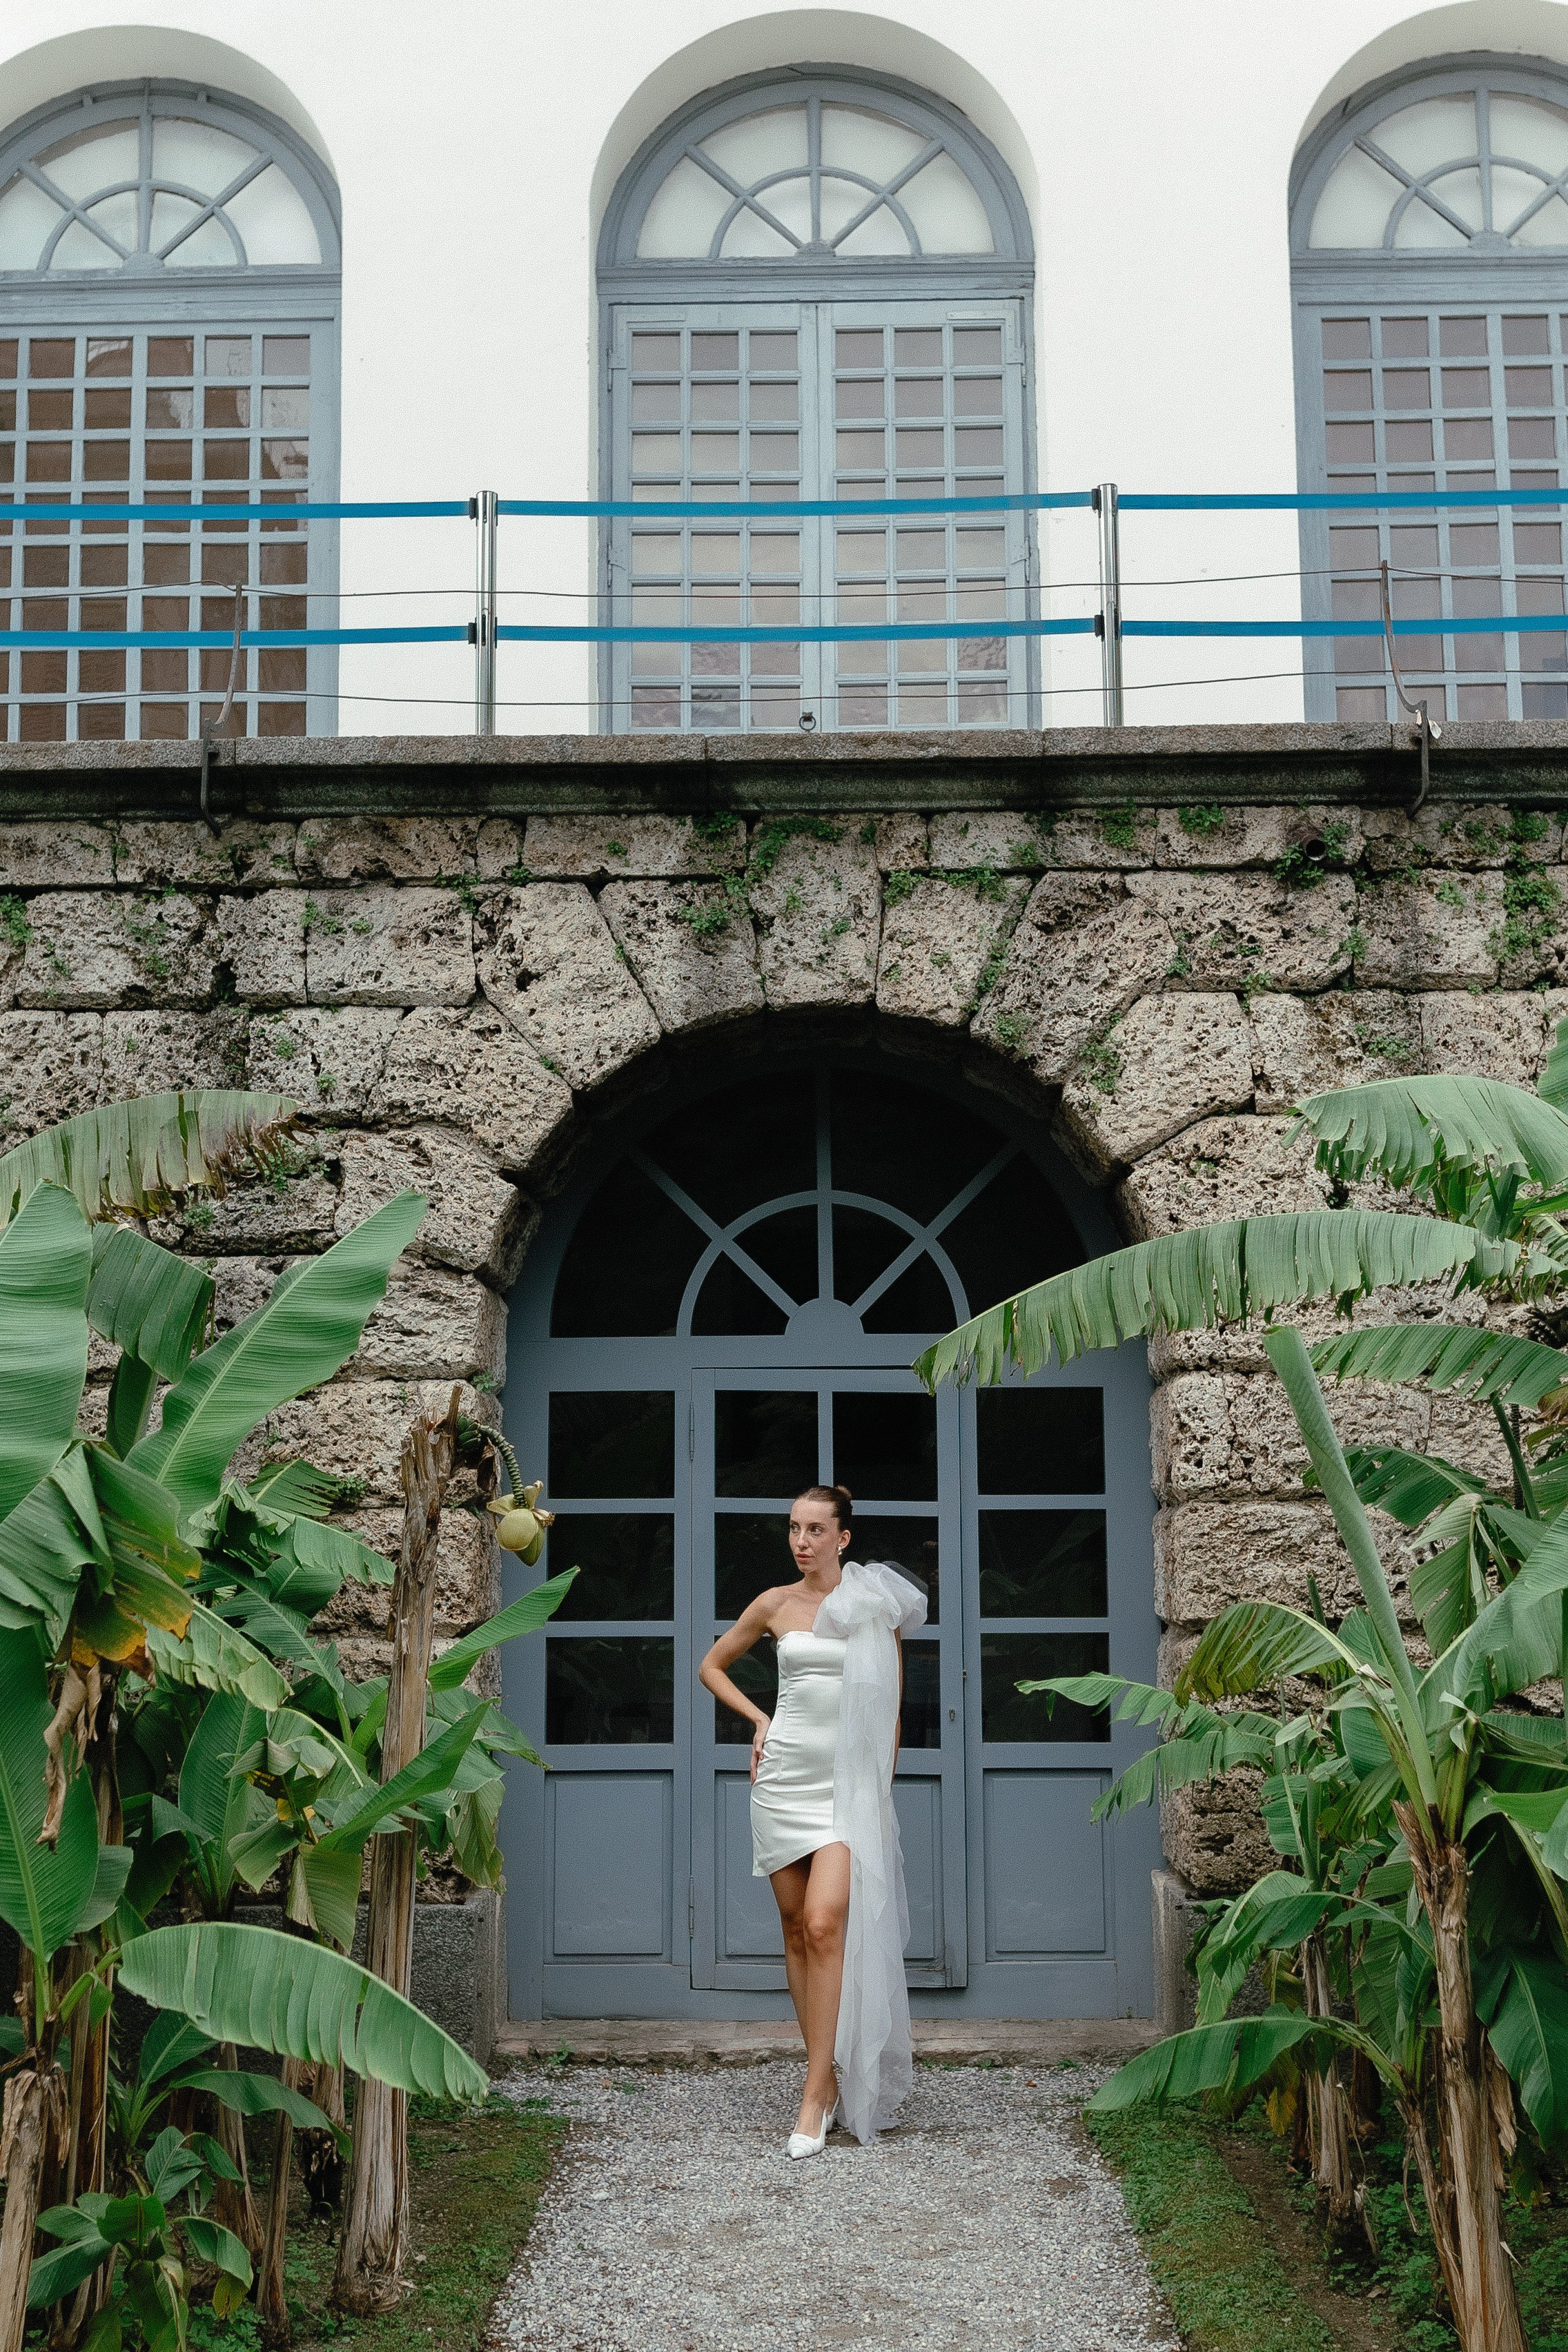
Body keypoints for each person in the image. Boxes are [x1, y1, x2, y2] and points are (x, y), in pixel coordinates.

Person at [698, 1484, 928, 2157]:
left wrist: (877, 1791)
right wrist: (760, 1719)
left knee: (826, 1923)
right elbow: (712, 1666)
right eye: (794, 1529)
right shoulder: (775, 1604)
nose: (802, 1541)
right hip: (782, 1783)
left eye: (815, 1530)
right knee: (796, 1931)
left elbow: (888, 1711)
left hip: (845, 1791)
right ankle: (824, 2076)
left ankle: (812, 2089)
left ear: (843, 1538)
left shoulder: (871, 1608)